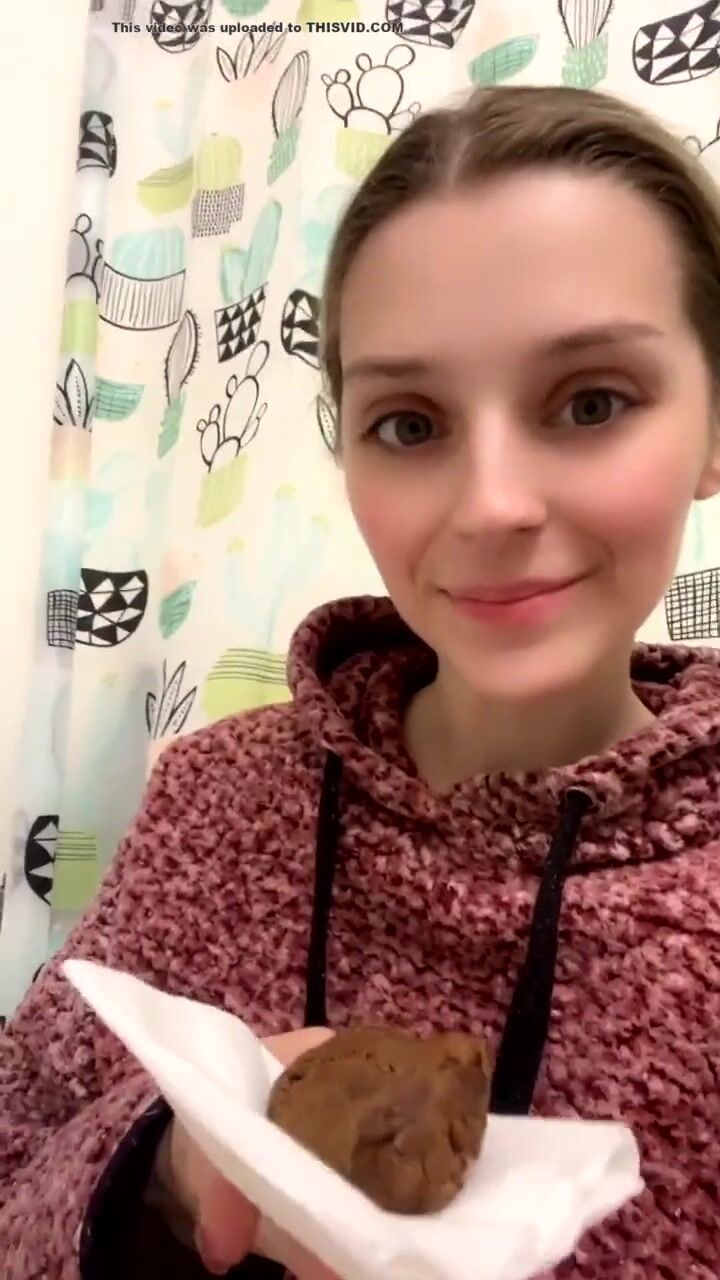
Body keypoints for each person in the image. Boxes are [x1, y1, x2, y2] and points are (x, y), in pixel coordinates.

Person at [2, 80, 720, 1280]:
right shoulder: (219, 800)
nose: (493, 505)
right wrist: (161, 1172)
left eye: (590, 403)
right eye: (410, 424)